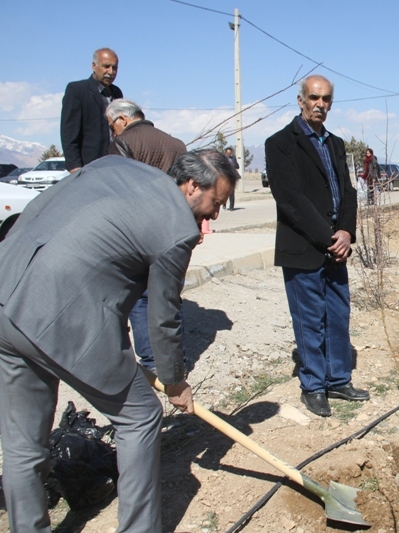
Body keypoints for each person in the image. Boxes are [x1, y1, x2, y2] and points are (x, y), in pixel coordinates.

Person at [0, 150, 238, 532]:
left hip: (6, 293)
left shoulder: (111, 165)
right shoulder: (179, 226)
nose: (214, 214)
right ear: (193, 186)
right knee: (140, 415)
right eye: (216, 202)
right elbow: (163, 315)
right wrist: (175, 381)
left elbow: (43, 209)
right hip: (60, 315)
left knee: (23, 443)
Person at [265, 75, 369, 417]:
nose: (320, 104)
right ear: (300, 100)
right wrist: (329, 238)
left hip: (337, 248)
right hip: (304, 249)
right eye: (313, 97)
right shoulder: (280, 143)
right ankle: (313, 385)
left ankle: (338, 379)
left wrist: (346, 233)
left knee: (338, 315)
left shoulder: (336, 144)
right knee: (309, 319)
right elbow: (290, 199)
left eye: (326, 99)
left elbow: (349, 193)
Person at [105, 99, 190, 374]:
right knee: (167, 292)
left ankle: (154, 363)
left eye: (111, 126)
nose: (112, 132)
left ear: (122, 120)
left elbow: (115, 191)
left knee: (140, 296)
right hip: (173, 229)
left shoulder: (123, 143)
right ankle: (174, 358)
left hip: (137, 232)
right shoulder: (176, 144)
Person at [61, 48, 123, 172]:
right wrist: (74, 167)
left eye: (114, 68)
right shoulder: (77, 90)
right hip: (88, 166)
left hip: (114, 165)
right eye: (106, 66)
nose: (111, 72)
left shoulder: (117, 93)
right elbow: (69, 132)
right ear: (94, 66)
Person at [106, 99, 187, 173]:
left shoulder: (121, 142)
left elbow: (119, 180)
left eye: (112, 127)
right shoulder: (178, 144)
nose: (114, 134)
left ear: (123, 119)